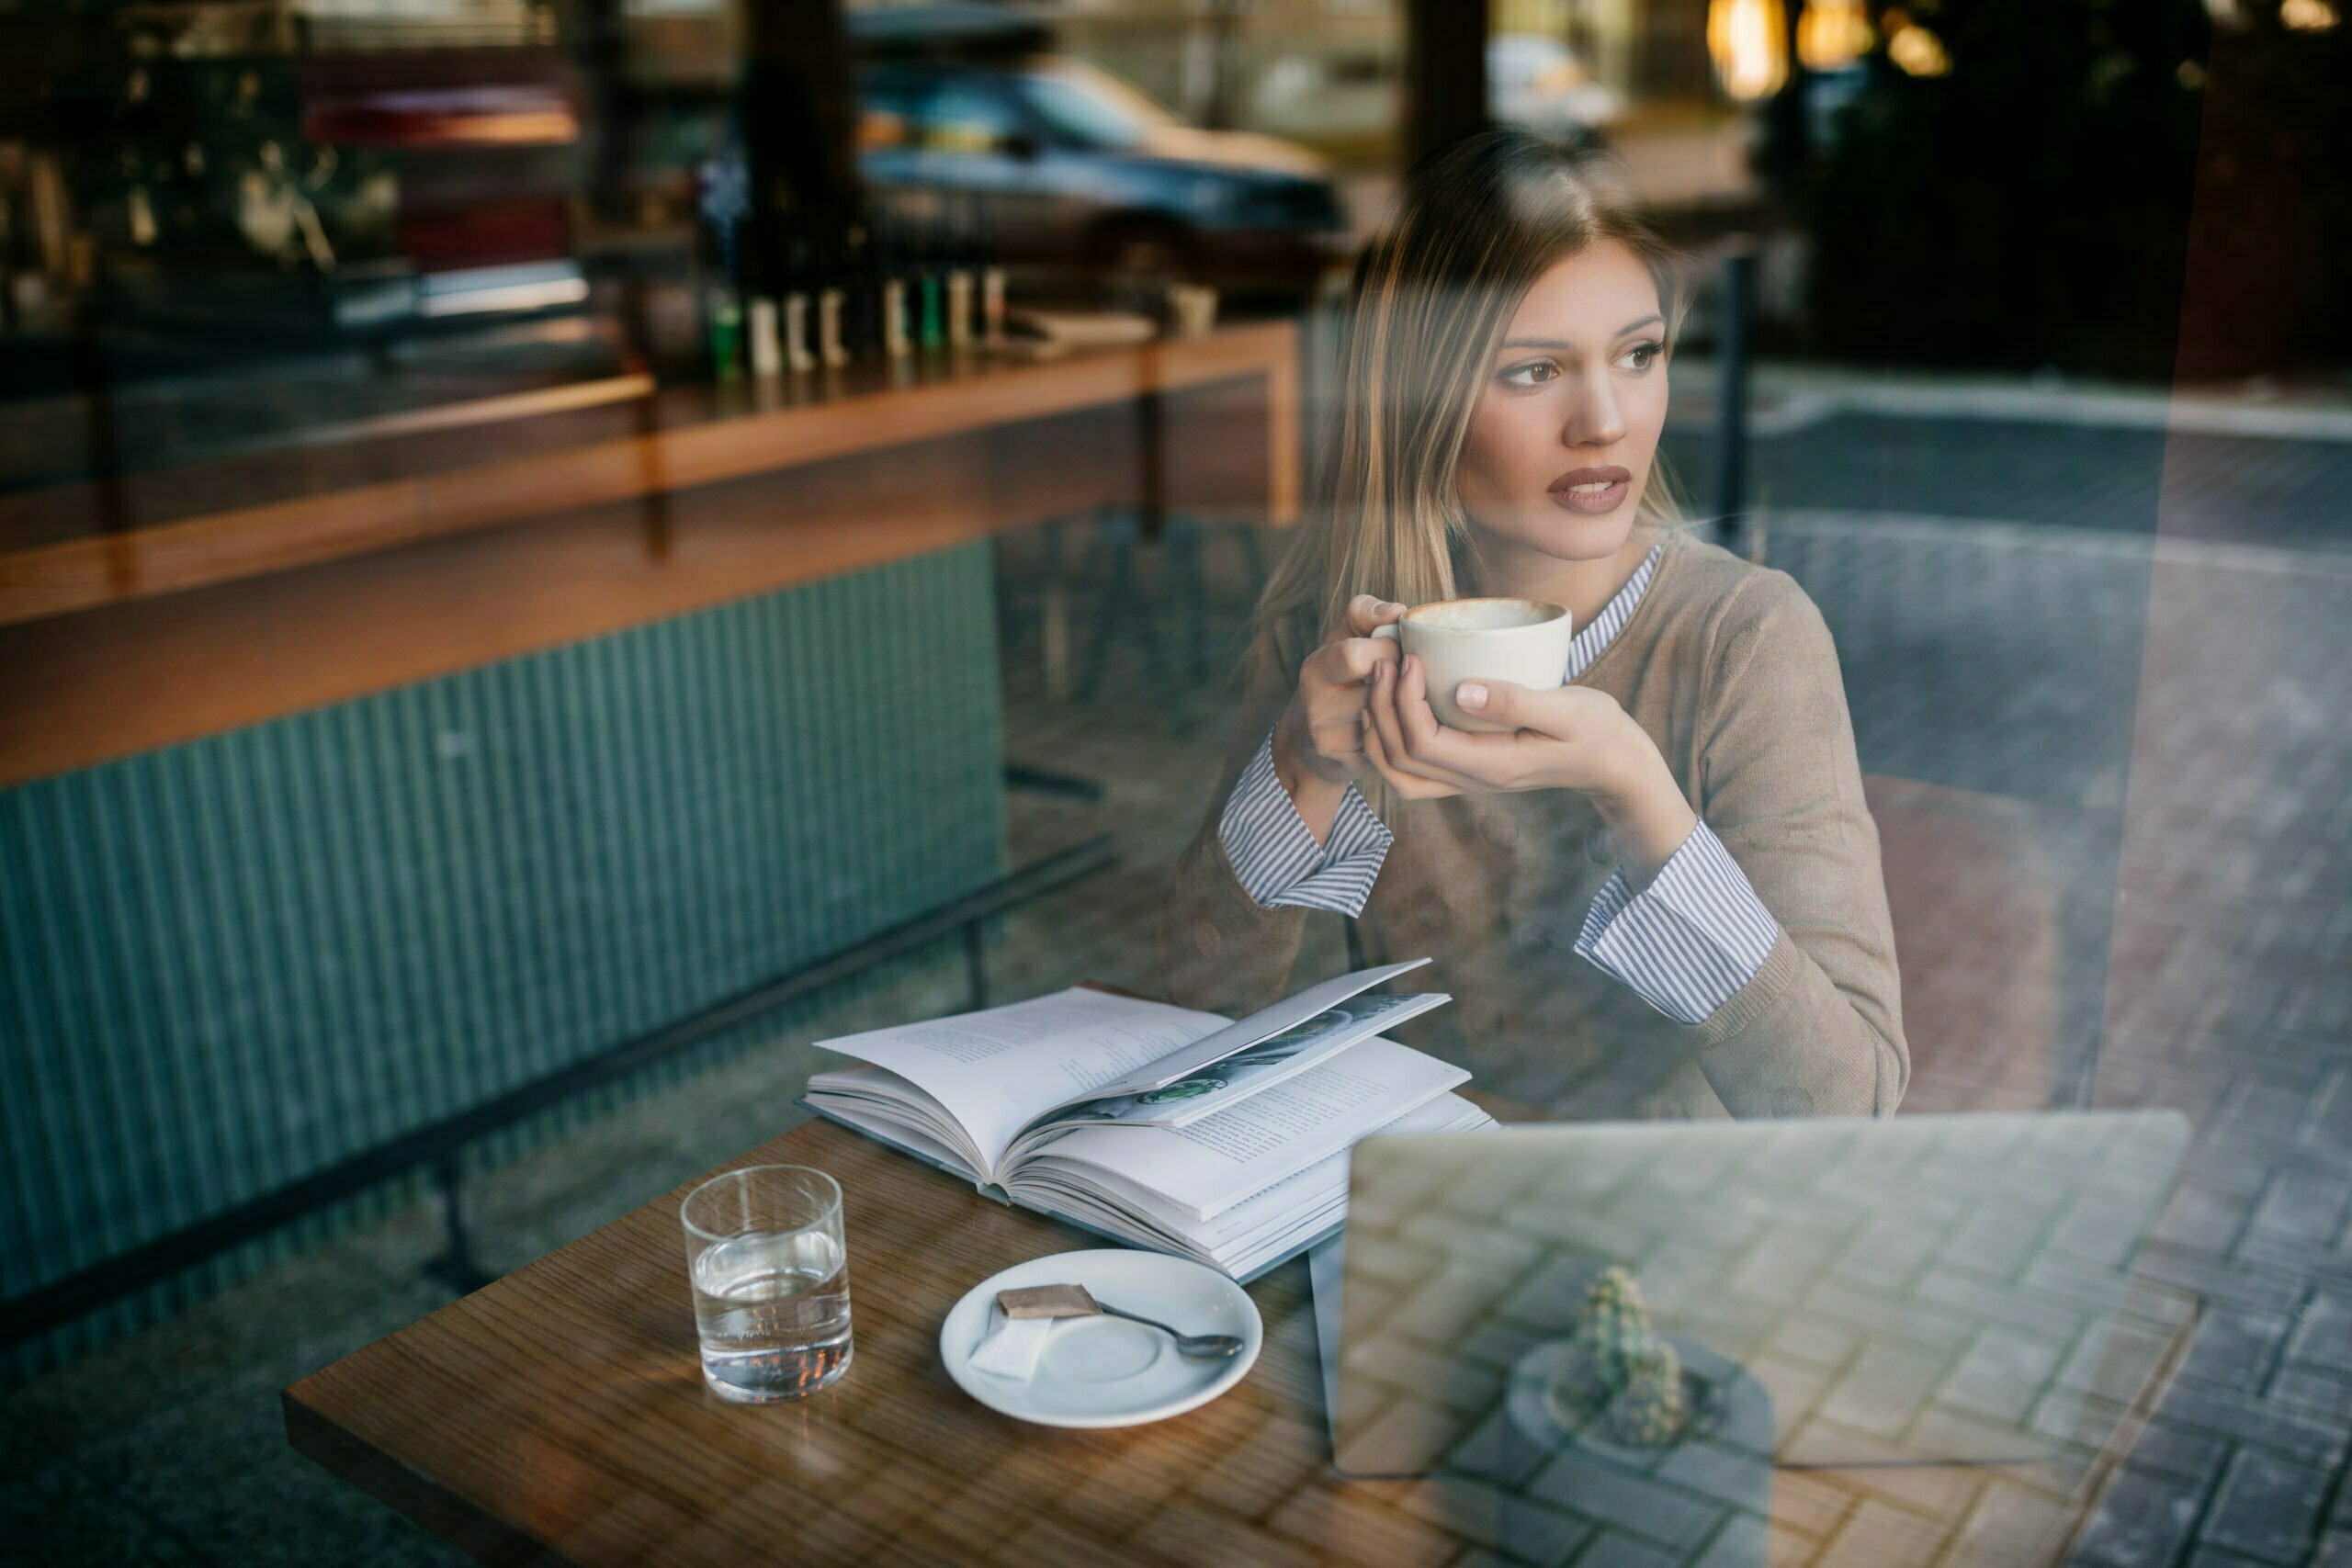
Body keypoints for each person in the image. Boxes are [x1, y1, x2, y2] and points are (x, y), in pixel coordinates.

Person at [1157, 128, 1905, 1120]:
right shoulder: (1332, 633)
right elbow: (1188, 1020)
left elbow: (1845, 1101)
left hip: (1657, 1232)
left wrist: (1635, 793)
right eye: (1532, 371)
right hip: (1408, 1211)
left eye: (1638, 354)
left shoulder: (1743, 639)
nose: (1604, 421)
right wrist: (1295, 767)